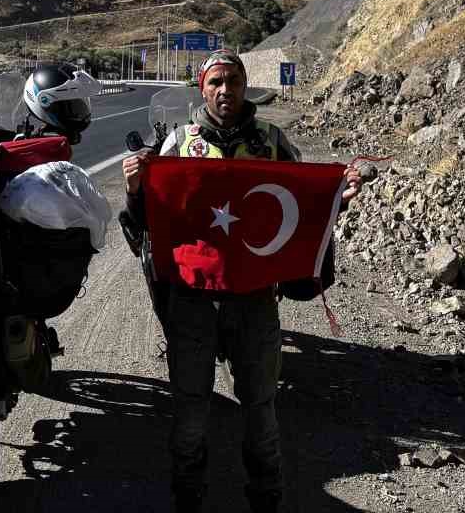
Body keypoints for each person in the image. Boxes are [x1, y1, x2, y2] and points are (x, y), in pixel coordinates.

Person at [122, 49, 363, 513]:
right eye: (216, 82)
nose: (225, 90)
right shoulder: (177, 145)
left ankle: (266, 498)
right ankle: (188, 497)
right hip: (193, 301)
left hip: (254, 301)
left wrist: (338, 197)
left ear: (244, 84)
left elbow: (303, 210)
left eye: (233, 80)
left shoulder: (273, 142)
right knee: (191, 409)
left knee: (260, 408)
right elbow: (146, 222)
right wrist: (136, 189)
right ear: (202, 89)